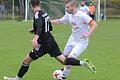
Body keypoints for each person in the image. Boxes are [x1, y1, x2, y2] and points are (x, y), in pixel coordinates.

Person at [3, 0, 96, 80]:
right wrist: (36, 29)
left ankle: (16, 78)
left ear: (31, 6)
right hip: (51, 41)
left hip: (43, 44)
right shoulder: (44, 12)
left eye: (67, 7)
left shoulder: (37, 14)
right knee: (65, 61)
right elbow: (50, 26)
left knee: (26, 61)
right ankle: (81, 64)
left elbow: (40, 26)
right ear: (39, 3)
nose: (66, 9)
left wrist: (35, 37)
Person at [51, 0, 97, 79]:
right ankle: (63, 73)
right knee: (64, 59)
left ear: (74, 7)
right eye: (66, 7)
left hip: (81, 42)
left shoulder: (82, 15)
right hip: (72, 40)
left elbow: (94, 24)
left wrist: (88, 34)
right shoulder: (68, 15)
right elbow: (59, 21)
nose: (66, 9)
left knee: (70, 59)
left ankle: (64, 76)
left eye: (68, 7)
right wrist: (48, 21)